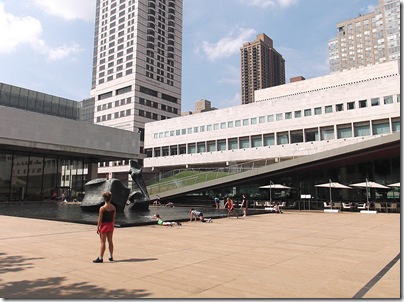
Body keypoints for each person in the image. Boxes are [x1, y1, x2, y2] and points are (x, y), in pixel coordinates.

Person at [93, 191, 116, 263]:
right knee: (110, 241)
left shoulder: (102, 208)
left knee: (103, 242)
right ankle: (111, 256)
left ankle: (100, 257)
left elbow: (100, 219)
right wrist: (112, 224)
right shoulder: (113, 208)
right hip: (111, 225)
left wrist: (98, 227)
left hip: (104, 225)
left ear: (104, 198)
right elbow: (114, 218)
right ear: (110, 198)